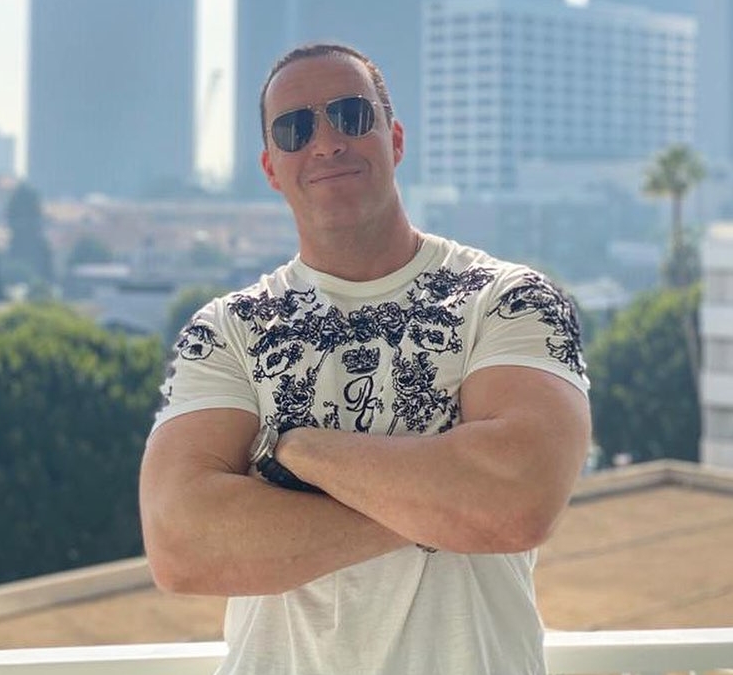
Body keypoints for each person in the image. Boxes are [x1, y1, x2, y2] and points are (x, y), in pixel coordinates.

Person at [139, 42, 591, 674]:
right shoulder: (226, 331)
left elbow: (517, 499)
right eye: (295, 129)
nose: (326, 142)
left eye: (350, 115)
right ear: (271, 167)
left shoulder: (508, 299)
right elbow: (181, 543)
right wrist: (449, 507)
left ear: (394, 139)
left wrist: (291, 451)